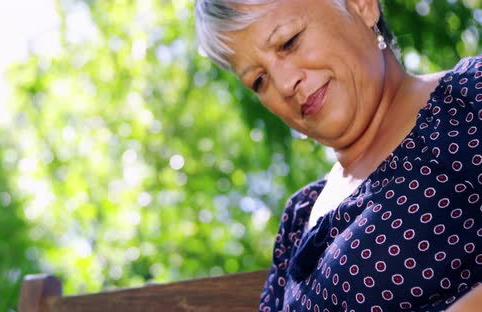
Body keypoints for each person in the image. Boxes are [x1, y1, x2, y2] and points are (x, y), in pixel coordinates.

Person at [194, 0, 482, 311]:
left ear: (362, 5)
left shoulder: (467, 101)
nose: (285, 84)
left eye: (289, 42)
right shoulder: (298, 219)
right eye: (259, 81)